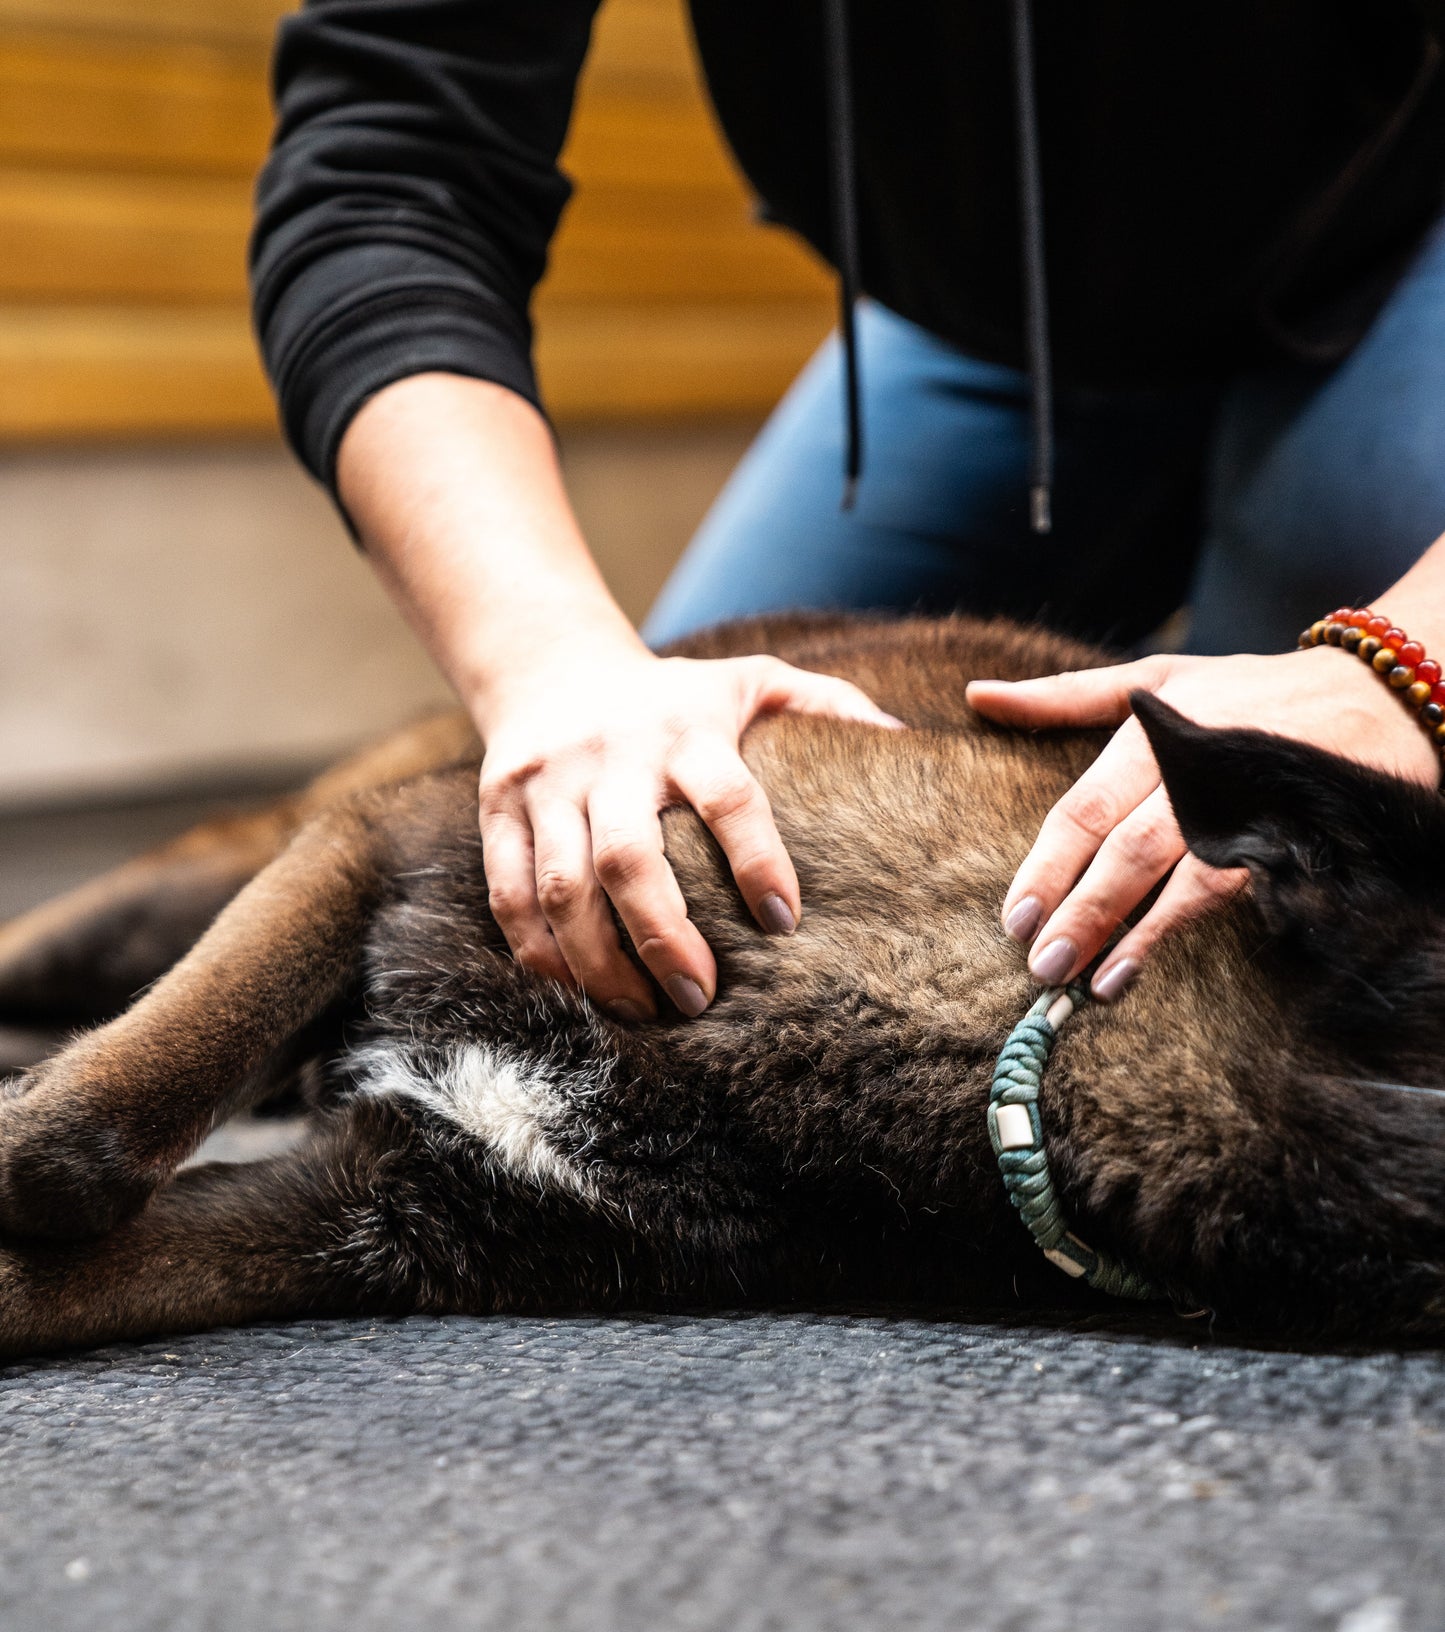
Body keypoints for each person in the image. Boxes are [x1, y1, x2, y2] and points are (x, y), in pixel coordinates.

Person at [251, 1, 1445, 1022]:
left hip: (1402, 257)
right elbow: (386, 176)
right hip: (985, 334)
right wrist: (548, 671)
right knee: (645, 853)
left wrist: (1400, 668)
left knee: (1273, 886)